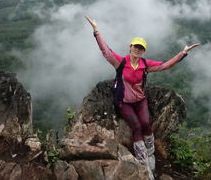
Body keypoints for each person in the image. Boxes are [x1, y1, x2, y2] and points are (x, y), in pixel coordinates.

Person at [85, 15, 199, 178]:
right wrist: (96, 31)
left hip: (139, 100)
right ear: (130, 47)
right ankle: (143, 161)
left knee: (146, 123)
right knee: (136, 127)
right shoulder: (121, 62)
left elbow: (165, 65)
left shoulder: (145, 65)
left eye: (141, 48)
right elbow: (106, 51)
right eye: (135, 47)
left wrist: (183, 53)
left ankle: (151, 154)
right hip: (124, 102)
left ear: (143, 51)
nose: (137, 50)